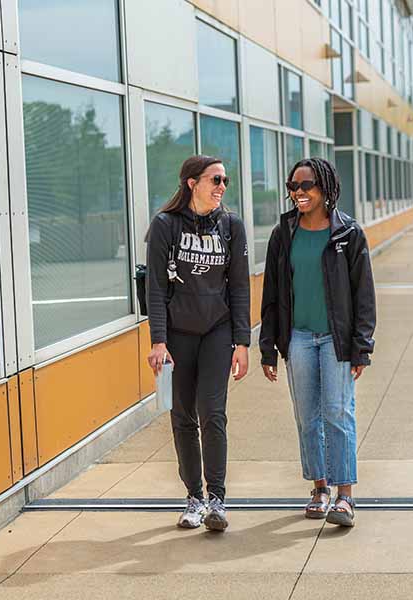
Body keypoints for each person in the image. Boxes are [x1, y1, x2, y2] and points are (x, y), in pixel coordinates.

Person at [259, 157, 376, 528]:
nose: (298, 192)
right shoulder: (284, 233)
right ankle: (319, 488)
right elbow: (272, 294)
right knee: (307, 418)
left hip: (336, 340)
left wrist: (361, 345)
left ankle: (345, 496)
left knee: (338, 414)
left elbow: (364, 296)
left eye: (306, 186)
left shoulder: (348, 233)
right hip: (298, 338)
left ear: (325, 188)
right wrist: (268, 347)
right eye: (293, 186)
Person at [146, 155, 251, 532]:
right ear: (192, 182)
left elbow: (239, 286)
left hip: (217, 331)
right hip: (178, 334)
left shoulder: (231, 226)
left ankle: (217, 500)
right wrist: (158, 339)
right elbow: (155, 287)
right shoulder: (165, 226)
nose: (222, 186)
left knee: (212, 411)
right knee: (183, 417)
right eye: (216, 179)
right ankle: (194, 498)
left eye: (225, 180)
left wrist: (243, 342)